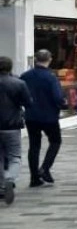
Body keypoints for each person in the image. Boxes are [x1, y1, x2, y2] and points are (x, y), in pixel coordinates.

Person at [20, 49, 67, 187]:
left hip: (31, 115)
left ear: (35, 59)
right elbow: (58, 97)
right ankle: (45, 168)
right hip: (49, 115)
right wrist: (63, 104)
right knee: (55, 141)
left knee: (34, 146)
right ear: (50, 59)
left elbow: (21, 94)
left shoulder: (25, 76)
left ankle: (34, 177)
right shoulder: (51, 77)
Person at [0, 56, 32, 205]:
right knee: (14, 156)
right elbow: (28, 102)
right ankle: (10, 178)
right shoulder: (19, 83)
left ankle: (1, 185)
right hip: (12, 125)